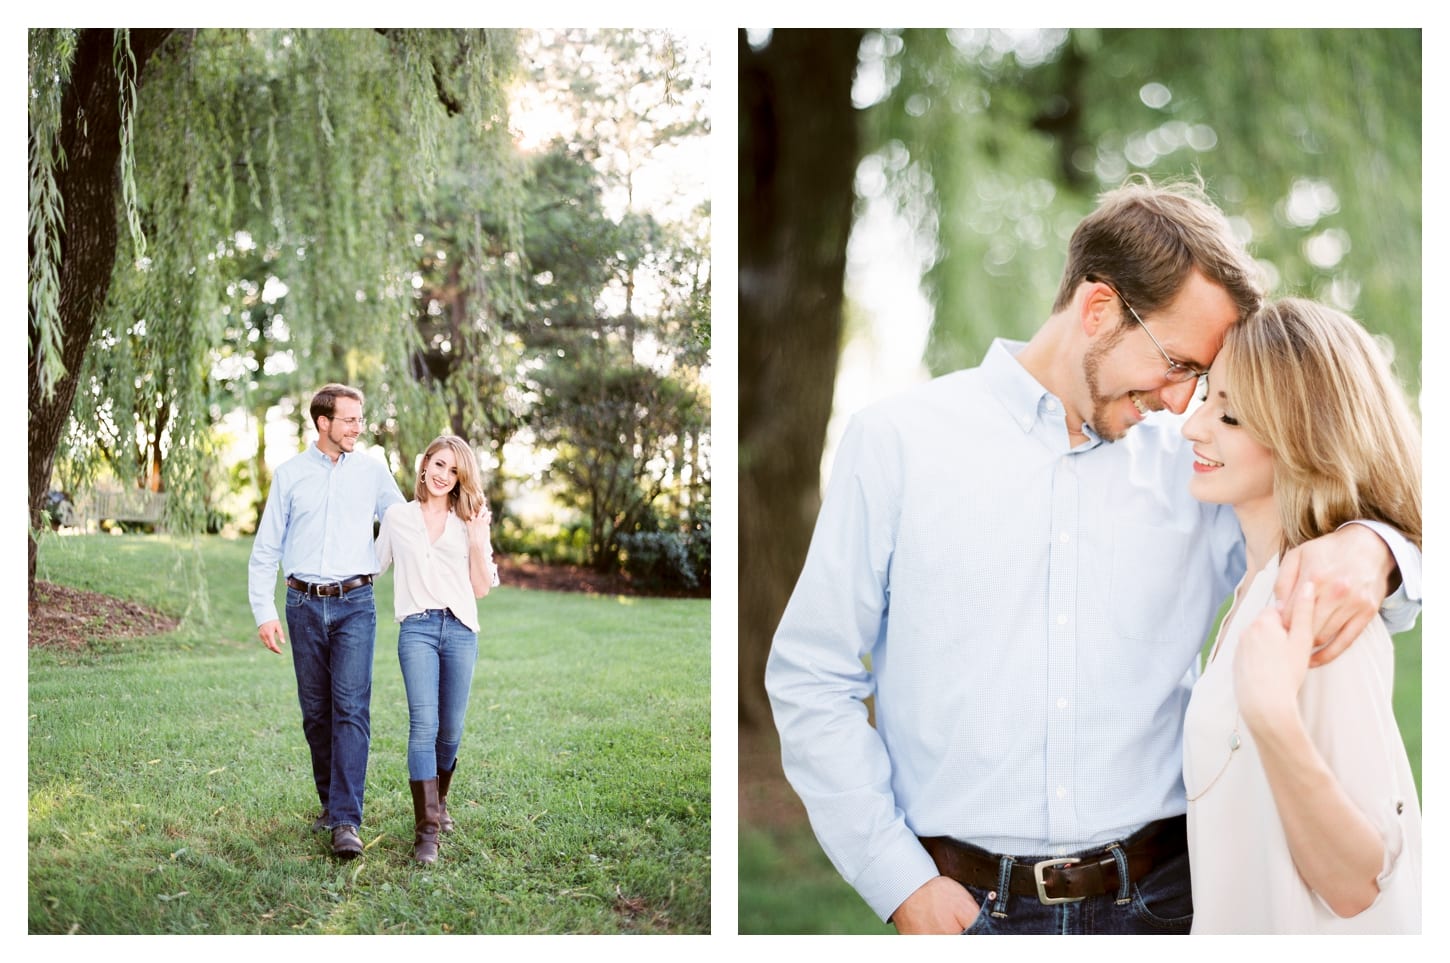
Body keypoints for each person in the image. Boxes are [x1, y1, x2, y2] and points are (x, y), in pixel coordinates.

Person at [763, 178, 1422, 934]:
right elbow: (814, 678)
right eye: (1177, 364)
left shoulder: (1197, 472)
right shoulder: (898, 444)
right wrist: (896, 877)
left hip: (1172, 904)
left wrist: (1377, 547)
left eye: (1200, 380)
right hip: (971, 909)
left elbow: (1314, 518)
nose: (1183, 404)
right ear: (1099, 309)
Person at [1180, 299, 1421, 933]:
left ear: (1302, 437)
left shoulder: (1322, 602)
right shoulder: (1256, 590)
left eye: (1229, 414)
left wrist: (1271, 718)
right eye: (1206, 397)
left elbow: (1357, 882)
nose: (1193, 427)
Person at [248, 383, 405, 859]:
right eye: (350, 419)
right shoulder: (290, 475)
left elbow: (402, 524)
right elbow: (266, 547)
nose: (359, 427)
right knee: (316, 713)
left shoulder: (373, 473)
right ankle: (330, 803)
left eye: (360, 419)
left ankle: (345, 820)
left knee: (351, 709)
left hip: (356, 606)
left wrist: (370, 568)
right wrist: (264, 610)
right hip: (302, 606)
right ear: (323, 423)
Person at [375, 435, 499, 864]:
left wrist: (480, 539)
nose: (444, 476)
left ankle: (439, 803)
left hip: (461, 629)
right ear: (424, 464)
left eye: (454, 471)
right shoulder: (397, 517)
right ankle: (427, 832)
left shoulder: (469, 520)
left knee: (451, 730)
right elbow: (373, 567)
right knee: (423, 726)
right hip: (418, 629)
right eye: (439, 465)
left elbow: (481, 587)